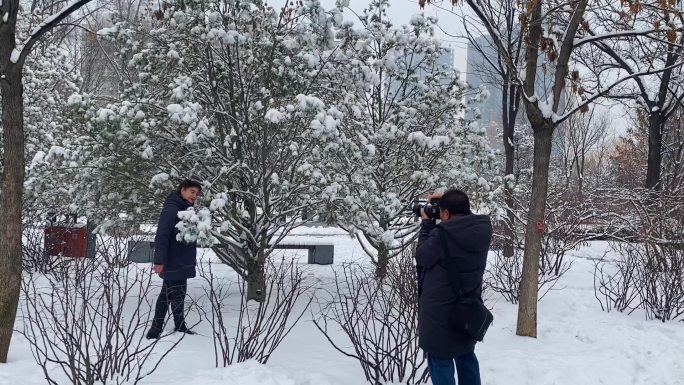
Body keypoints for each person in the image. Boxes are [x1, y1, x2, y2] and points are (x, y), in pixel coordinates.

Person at [415, 189, 492, 385]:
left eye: (441, 212)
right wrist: (447, 203)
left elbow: (423, 256)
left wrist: (426, 224)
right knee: (466, 357)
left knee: (440, 363)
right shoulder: (482, 229)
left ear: (447, 214)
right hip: (466, 309)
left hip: (439, 315)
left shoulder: (442, 235)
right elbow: (461, 221)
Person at [146, 179, 202, 339]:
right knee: (170, 294)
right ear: (182, 190)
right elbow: (162, 236)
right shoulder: (172, 210)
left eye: (197, 194)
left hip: (180, 260)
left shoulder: (184, 209)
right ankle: (156, 329)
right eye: (192, 192)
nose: (195, 196)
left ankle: (177, 325)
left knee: (176, 293)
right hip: (173, 260)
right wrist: (159, 261)